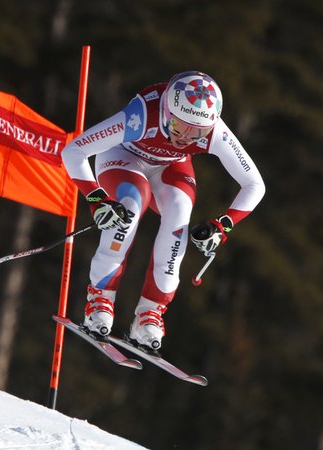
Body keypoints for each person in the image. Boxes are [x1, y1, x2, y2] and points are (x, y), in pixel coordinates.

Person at [61, 71, 265, 351]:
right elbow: (74, 151)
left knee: (180, 209)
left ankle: (149, 314)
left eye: (198, 132)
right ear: (167, 112)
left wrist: (223, 226)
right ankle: (100, 298)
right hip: (123, 159)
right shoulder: (144, 114)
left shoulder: (214, 131)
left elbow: (254, 184)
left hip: (169, 167)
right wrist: (96, 199)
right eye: (180, 127)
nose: (187, 138)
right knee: (132, 202)